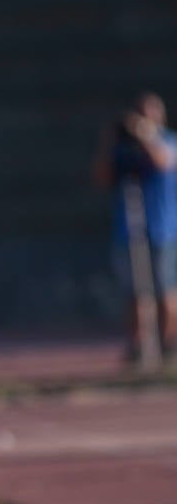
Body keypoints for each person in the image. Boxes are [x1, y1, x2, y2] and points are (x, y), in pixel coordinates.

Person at [91, 92, 177, 364]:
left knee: (165, 289)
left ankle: (168, 345)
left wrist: (145, 135)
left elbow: (161, 162)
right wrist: (109, 139)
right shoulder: (123, 150)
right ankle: (137, 347)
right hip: (128, 231)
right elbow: (102, 178)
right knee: (134, 294)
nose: (142, 119)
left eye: (149, 114)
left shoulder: (169, 142)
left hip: (163, 229)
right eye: (139, 113)